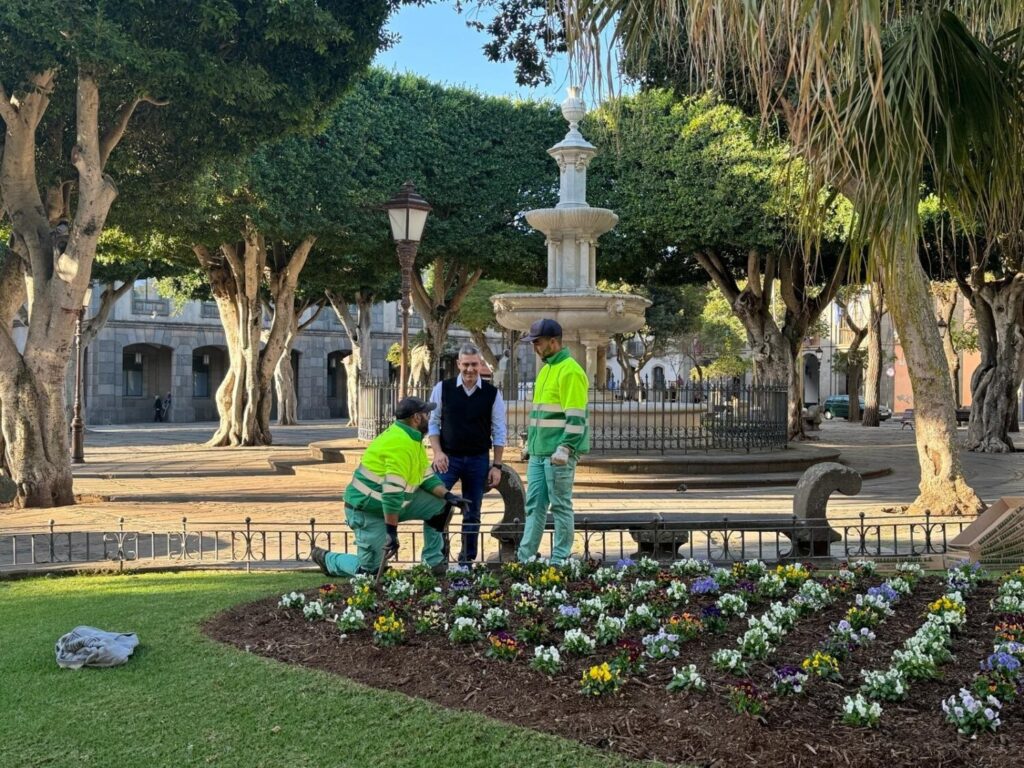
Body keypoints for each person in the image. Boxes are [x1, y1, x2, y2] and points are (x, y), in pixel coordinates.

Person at [311, 397, 468, 576]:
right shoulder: (400, 444)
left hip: (392, 505)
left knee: (441, 506)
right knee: (370, 573)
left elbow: (426, 476)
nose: (429, 417)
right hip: (366, 510)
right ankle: (329, 559)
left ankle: (434, 562)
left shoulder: (411, 438)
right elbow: (391, 495)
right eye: (427, 413)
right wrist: (391, 533)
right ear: (416, 418)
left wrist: (448, 496)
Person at [516, 318, 589, 565]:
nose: (534, 347)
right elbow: (541, 415)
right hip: (538, 453)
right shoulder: (547, 369)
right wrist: (530, 445)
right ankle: (525, 558)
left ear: (553, 342)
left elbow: (577, 417)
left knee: (560, 506)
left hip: (559, 454)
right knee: (534, 507)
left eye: (537, 342)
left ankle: (560, 559)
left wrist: (566, 447)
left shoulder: (570, 370)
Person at [427, 343, 507, 564]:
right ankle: (437, 558)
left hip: (477, 459)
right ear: (458, 364)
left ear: (480, 364)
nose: (470, 369)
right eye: (466, 364)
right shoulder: (443, 388)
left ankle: (466, 561)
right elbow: (433, 424)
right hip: (448, 459)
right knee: (436, 505)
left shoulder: (492, 394)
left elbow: (499, 430)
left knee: (472, 512)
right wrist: (437, 453)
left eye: (474, 364)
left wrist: (497, 465)